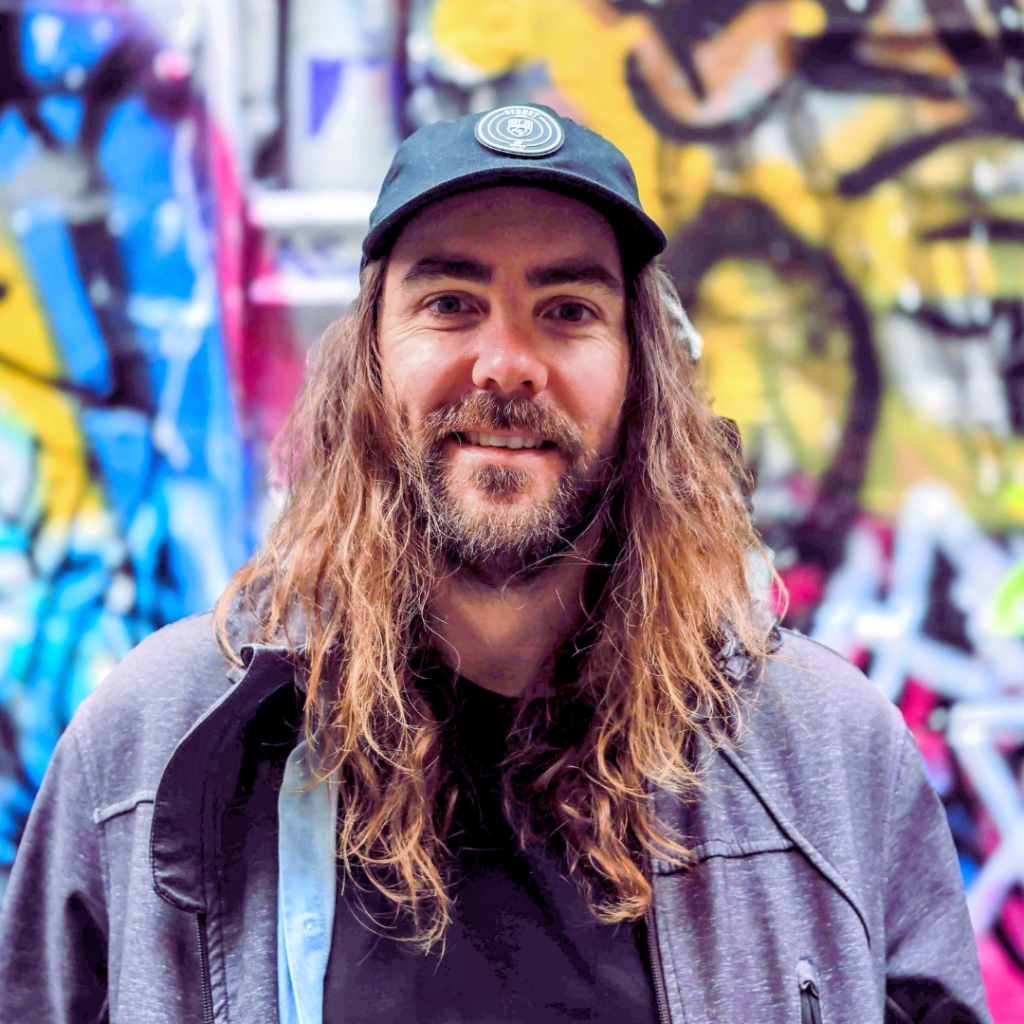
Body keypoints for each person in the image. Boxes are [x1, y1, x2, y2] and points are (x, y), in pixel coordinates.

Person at [0, 104, 989, 1024]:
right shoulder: (152, 749)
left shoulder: (828, 758)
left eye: (566, 309)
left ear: (641, 376)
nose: (507, 362)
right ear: (368, 362)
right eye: (449, 301)